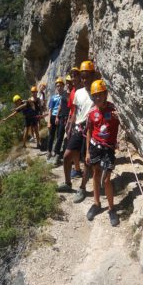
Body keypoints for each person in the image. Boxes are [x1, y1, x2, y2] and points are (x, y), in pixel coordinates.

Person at [57, 61, 95, 204]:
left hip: (91, 130)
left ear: (92, 76)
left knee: (87, 161)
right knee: (67, 156)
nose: (84, 79)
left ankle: (83, 187)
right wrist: (69, 125)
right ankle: (68, 183)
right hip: (79, 128)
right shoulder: (78, 92)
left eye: (87, 76)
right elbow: (75, 112)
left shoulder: (96, 92)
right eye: (82, 77)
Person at [85, 79, 120, 226]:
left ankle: (111, 209)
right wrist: (87, 152)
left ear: (105, 94)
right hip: (95, 147)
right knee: (96, 174)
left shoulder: (113, 110)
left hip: (108, 148)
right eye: (95, 96)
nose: (97, 98)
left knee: (106, 179)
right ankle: (97, 203)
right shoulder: (92, 112)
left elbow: (121, 123)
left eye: (100, 95)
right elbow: (89, 131)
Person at [50, 76, 71, 165]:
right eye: (67, 83)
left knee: (66, 135)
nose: (68, 84)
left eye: (69, 83)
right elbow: (60, 106)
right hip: (62, 116)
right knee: (59, 135)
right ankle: (57, 153)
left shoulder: (72, 93)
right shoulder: (65, 94)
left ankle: (63, 154)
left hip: (68, 117)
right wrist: (57, 116)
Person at [66, 67, 83, 178]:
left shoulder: (83, 89)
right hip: (75, 122)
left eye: (75, 76)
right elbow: (72, 110)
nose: (73, 78)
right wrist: (68, 123)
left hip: (84, 122)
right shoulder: (72, 92)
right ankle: (77, 169)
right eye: (72, 76)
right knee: (74, 149)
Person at [47, 78, 63, 160]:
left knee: (60, 135)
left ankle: (56, 152)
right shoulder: (53, 97)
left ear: (63, 86)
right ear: (56, 87)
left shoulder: (65, 96)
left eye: (60, 86)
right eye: (57, 86)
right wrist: (49, 122)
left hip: (61, 117)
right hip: (53, 116)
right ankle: (49, 151)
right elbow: (50, 109)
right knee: (51, 135)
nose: (59, 87)